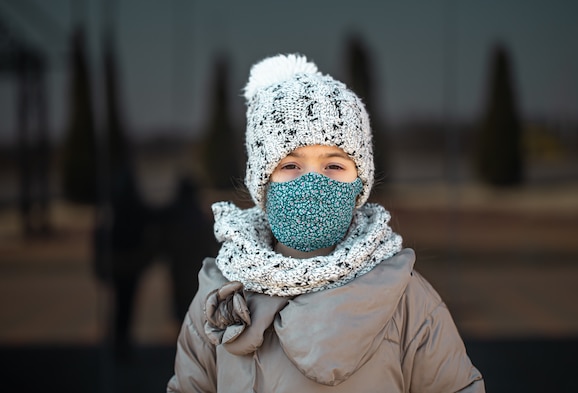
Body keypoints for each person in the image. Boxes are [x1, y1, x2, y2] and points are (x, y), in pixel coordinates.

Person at [167, 53, 485, 392]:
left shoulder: (406, 300)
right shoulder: (219, 298)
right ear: (262, 182)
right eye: (290, 165)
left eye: (333, 165)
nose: (312, 184)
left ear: (360, 184)